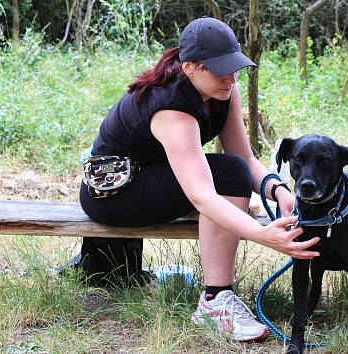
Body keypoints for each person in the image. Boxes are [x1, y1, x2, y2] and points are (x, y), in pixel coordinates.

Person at [74, 17, 320, 342]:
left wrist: (279, 191)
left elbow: (245, 157)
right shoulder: (171, 108)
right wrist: (262, 235)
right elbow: (202, 194)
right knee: (228, 175)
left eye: (235, 67)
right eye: (221, 69)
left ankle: (216, 300)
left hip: (152, 175)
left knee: (233, 168)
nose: (231, 77)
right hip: (113, 193)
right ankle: (215, 304)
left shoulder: (223, 90)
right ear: (190, 67)